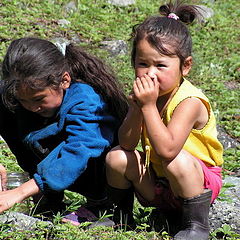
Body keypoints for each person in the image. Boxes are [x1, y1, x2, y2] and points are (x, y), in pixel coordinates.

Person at [105, 1, 223, 239]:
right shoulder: (147, 98)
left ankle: (196, 226)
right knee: (116, 156)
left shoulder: (189, 101)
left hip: (196, 182)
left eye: (161, 65)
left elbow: (168, 150)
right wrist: (137, 108)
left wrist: (148, 106)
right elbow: (127, 144)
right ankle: (119, 216)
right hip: (160, 181)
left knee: (175, 161)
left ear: (185, 66)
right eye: (142, 64)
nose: (150, 73)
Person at [0, 37, 128, 225]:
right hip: (47, 159)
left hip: (94, 172)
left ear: (64, 81)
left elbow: (77, 152)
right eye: (23, 100)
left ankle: (102, 204)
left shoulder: (86, 101)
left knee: (82, 151)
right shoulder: (15, 92)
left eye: (38, 99)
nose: (31, 107)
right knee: (5, 108)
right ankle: (49, 196)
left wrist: (20, 192)